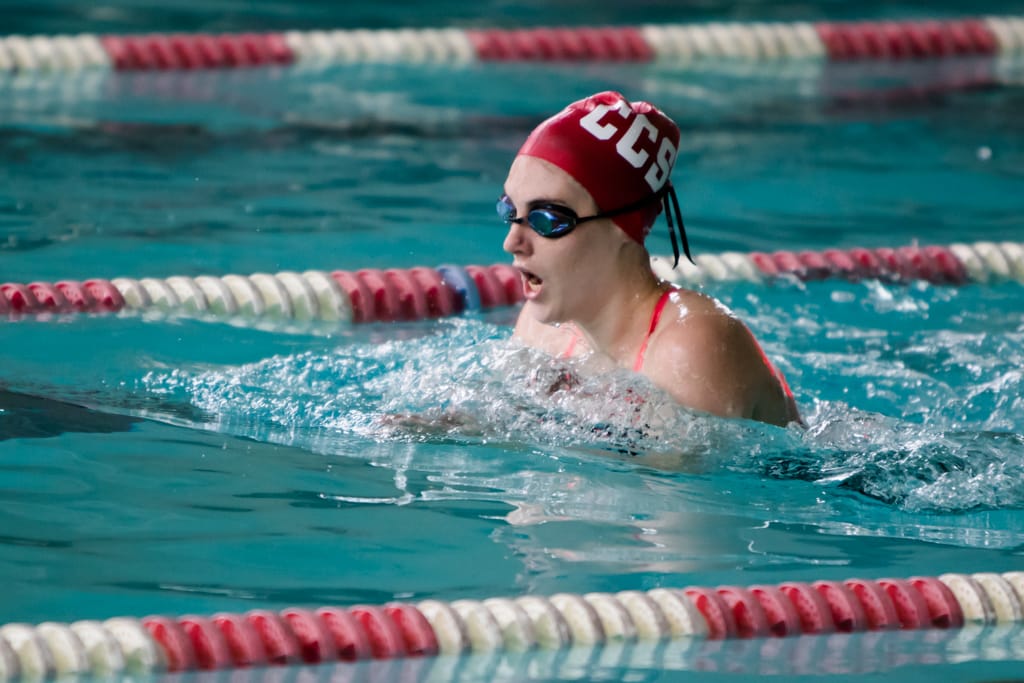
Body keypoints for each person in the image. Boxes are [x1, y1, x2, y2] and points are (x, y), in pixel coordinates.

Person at [500, 91, 801, 427]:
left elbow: (676, 480)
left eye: (548, 219)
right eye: (510, 211)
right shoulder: (542, 328)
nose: (512, 242)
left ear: (621, 229)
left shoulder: (690, 347)